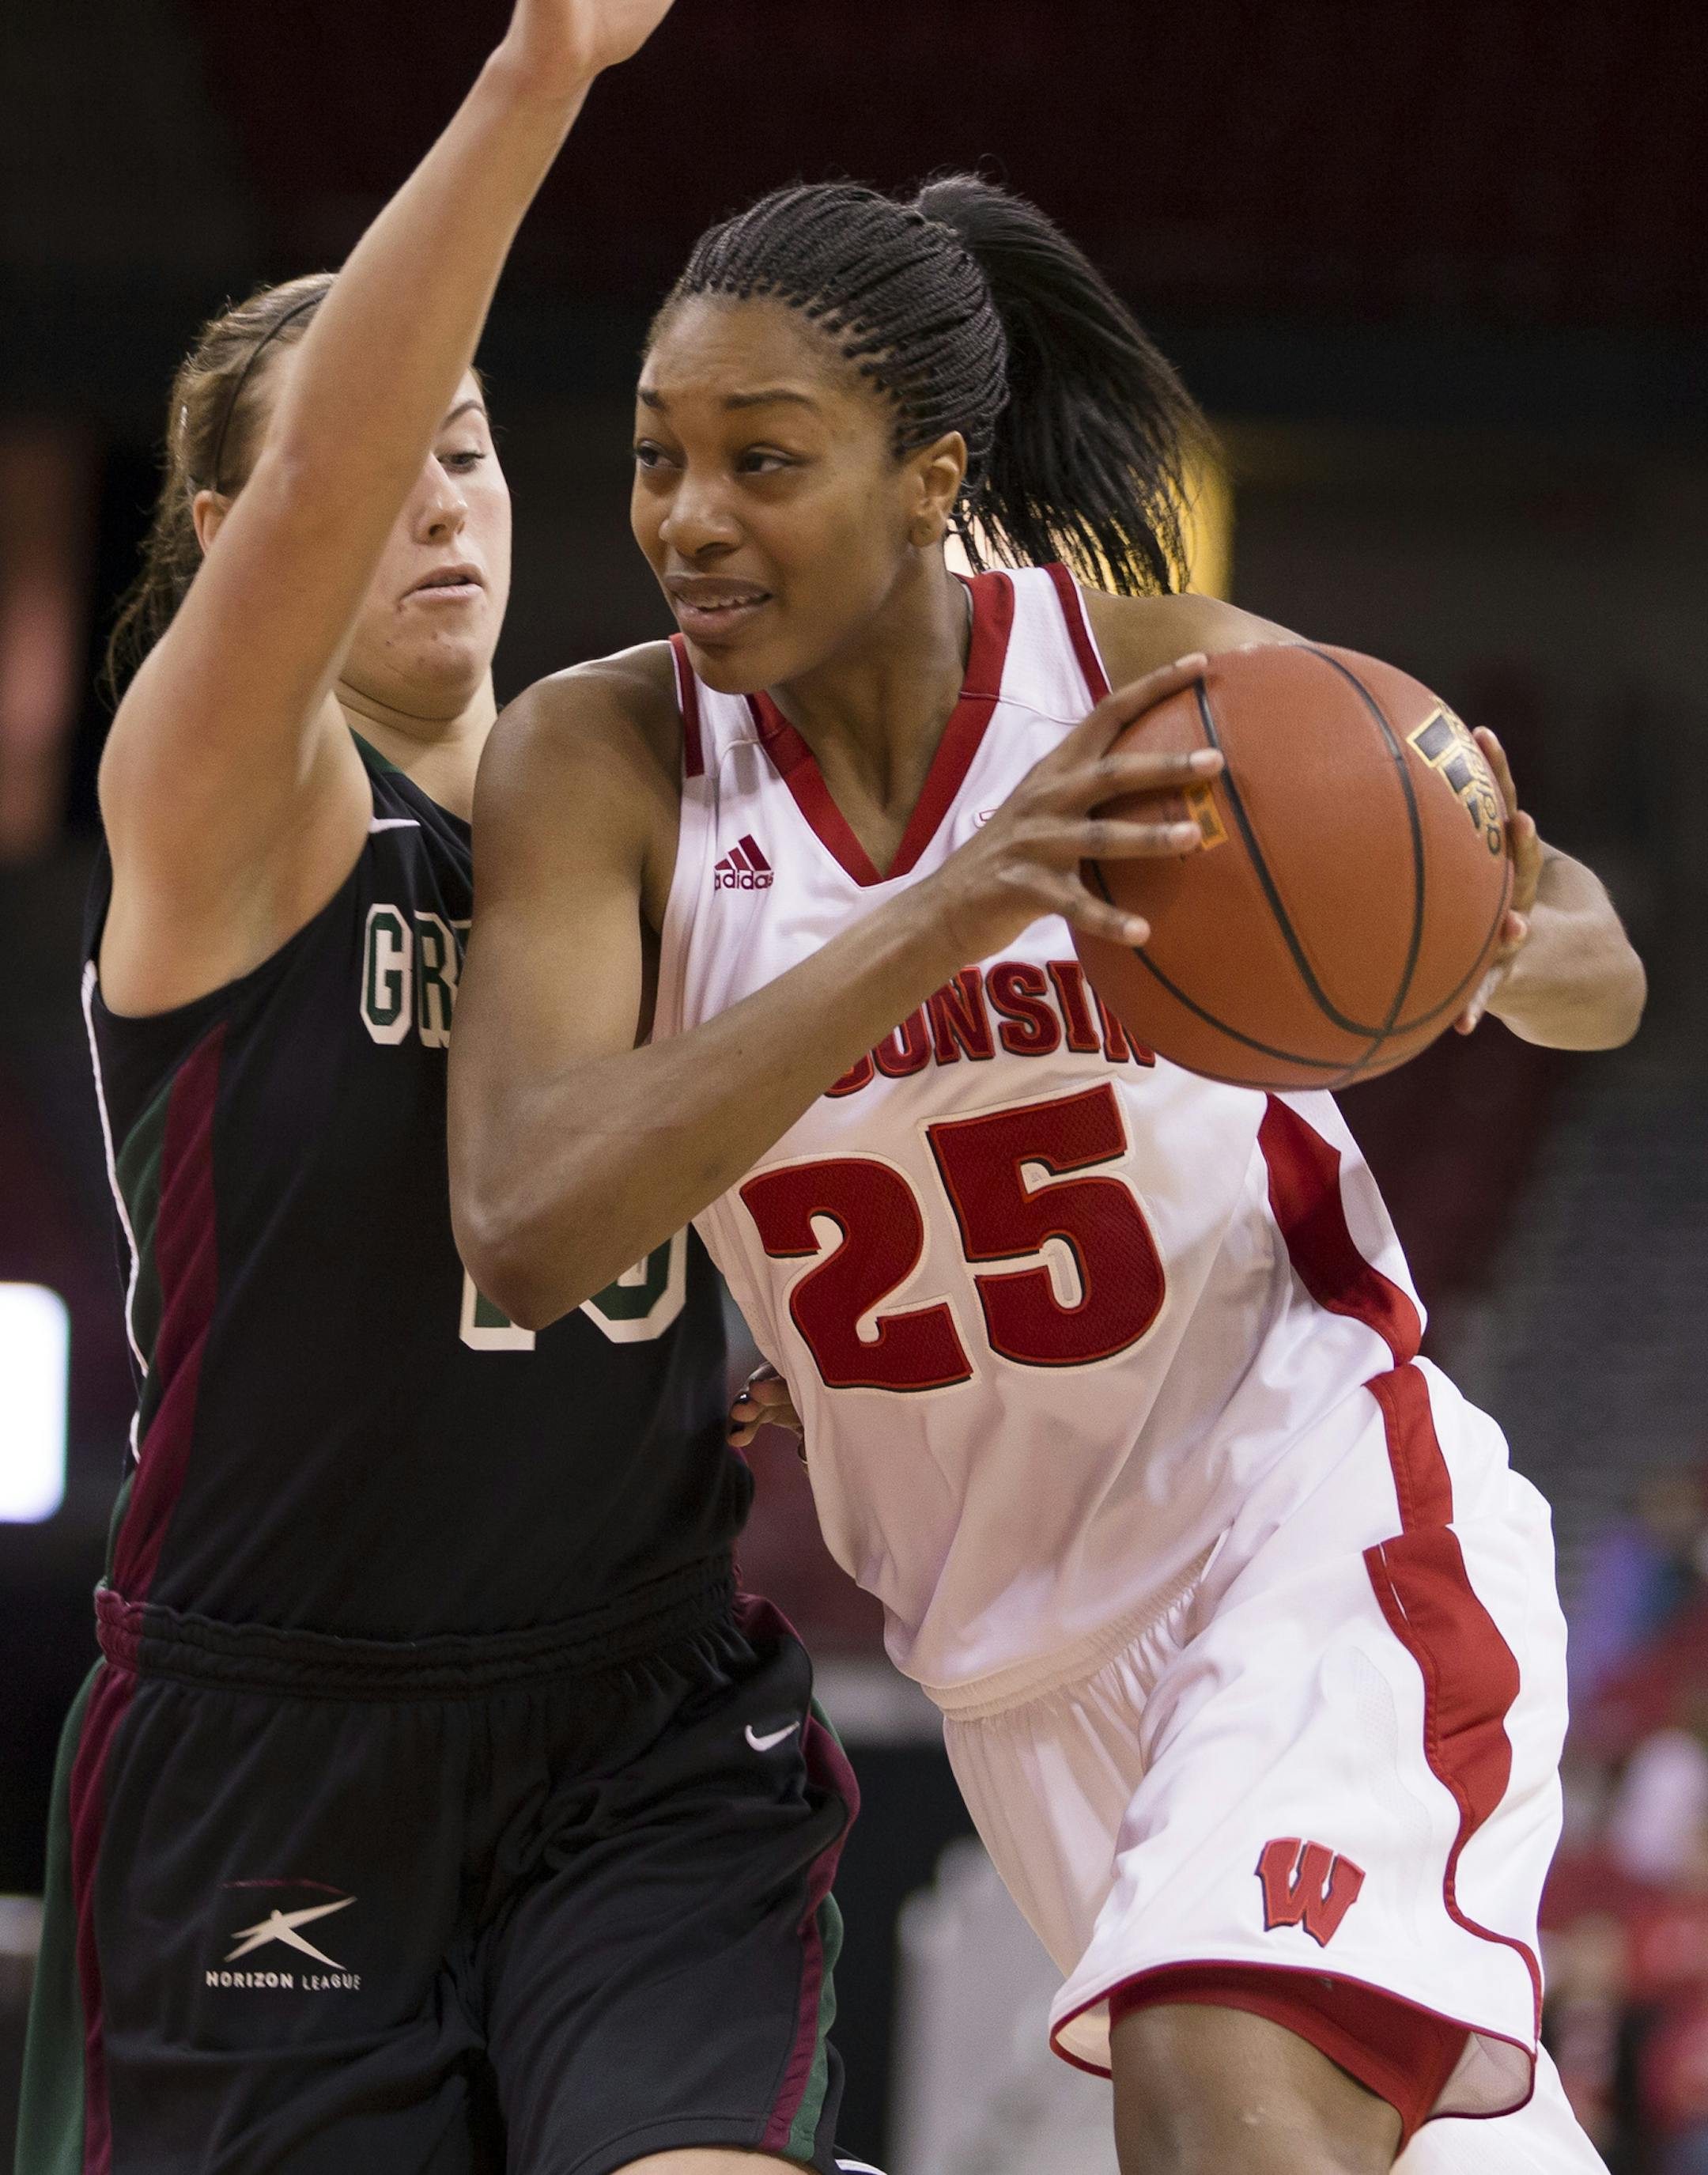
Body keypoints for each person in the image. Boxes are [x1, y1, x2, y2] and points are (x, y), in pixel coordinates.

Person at [448, 176, 1646, 2173]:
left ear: (931, 481)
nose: (687, 518)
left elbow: (1592, 962)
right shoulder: (603, 762)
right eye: (658, 457)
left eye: (764, 461)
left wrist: (1482, 927)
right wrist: (951, 912)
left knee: (1218, 2104)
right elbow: (529, 1217)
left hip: (1313, 1521)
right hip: (1008, 1667)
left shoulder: (1155, 686)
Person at [18, 17, 872, 2175]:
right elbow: (324, 489)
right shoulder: (224, 816)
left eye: (473, 448)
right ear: (224, 520)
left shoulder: (668, 822)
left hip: (638, 1713)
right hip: (279, 1740)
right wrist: (542, 72)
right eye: (382, 449)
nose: (434, 493)